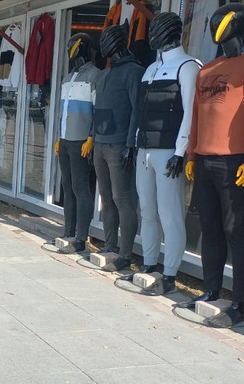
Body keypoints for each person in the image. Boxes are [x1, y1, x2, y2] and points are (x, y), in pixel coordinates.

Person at [179, 3, 244, 328]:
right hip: (206, 161)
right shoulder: (206, 70)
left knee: (236, 230)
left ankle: (240, 302)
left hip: (235, 161)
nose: (214, 26)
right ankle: (211, 289)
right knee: (210, 228)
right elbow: (196, 116)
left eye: (220, 21)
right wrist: (193, 155)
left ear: (238, 24)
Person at [125, 13, 201, 294]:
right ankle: (148, 263)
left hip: (169, 150)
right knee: (146, 210)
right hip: (144, 150)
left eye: (157, 30)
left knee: (170, 213)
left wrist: (180, 152)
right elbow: (141, 112)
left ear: (170, 33)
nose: (151, 35)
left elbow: (190, 113)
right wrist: (134, 143)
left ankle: (170, 273)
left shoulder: (188, 67)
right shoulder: (150, 70)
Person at [92, 24, 143, 272]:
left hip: (119, 143)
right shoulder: (104, 74)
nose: (104, 45)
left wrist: (130, 144)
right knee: (106, 198)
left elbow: (137, 110)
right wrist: (94, 138)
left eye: (107, 40)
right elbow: (99, 110)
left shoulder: (134, 72)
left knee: (122, 199)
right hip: (100, 143)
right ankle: (109, 244)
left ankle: (125, 253)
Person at [53, 33, 100, 254]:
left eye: (73, 46)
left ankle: (81, 236)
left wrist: (91, 137)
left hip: (82, 141)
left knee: (81, 188)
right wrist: (58, 136)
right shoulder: (66, 78)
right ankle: (68, 231)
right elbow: (63, 111)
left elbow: (97, 110)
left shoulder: (95, 76)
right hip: (65, 140)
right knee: (67, 187)